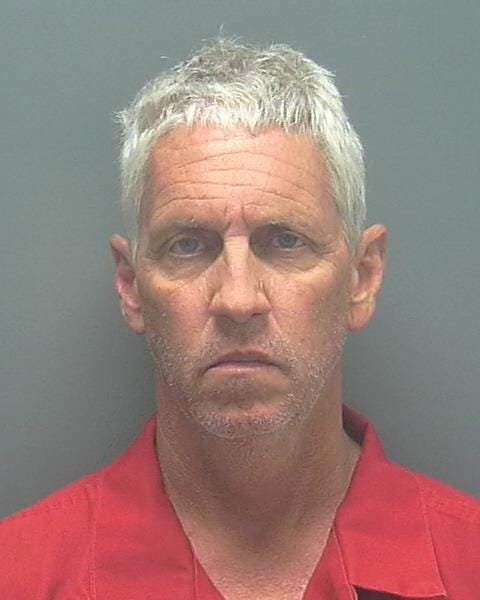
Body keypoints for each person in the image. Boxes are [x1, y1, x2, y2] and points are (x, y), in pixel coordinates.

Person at [1, 37, 479, 600]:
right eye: (187, 245)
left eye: (285, 241)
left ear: (362, 278)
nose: (237, 299)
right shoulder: (19, 577)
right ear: (131, 287)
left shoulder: (467, 563)